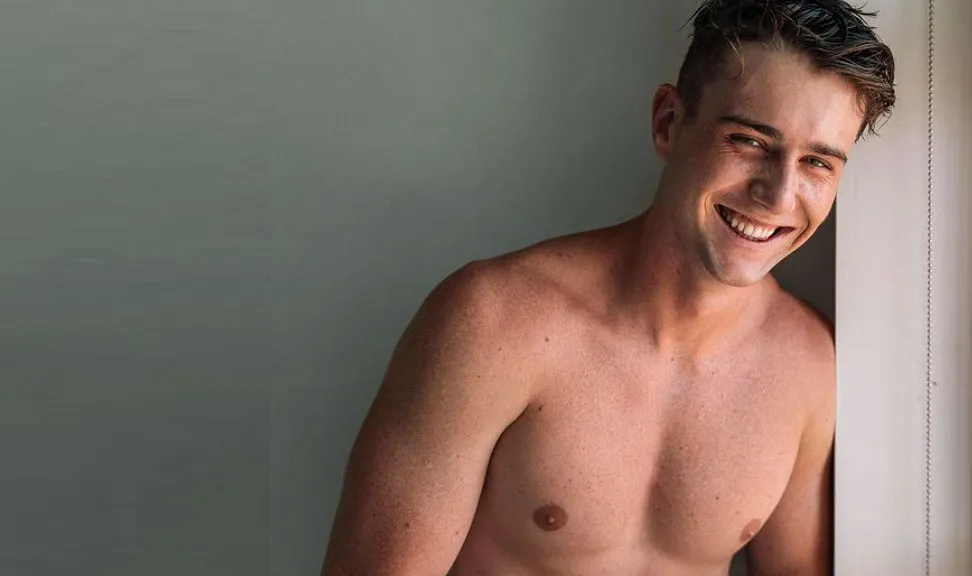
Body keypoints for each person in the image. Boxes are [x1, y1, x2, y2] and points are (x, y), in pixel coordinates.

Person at [322, 0, 896, 574]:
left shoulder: (808, 364)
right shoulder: (493, 324)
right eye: (749, 141)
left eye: (818, 163)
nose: (778, 195)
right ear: (668, 123)